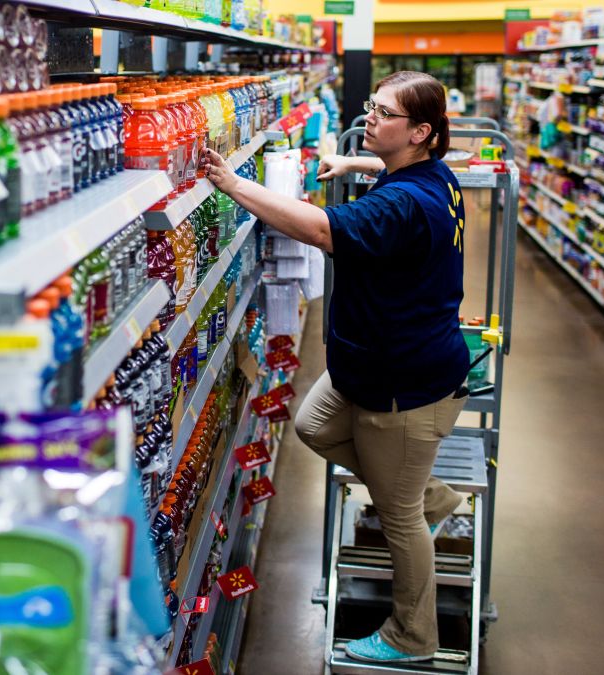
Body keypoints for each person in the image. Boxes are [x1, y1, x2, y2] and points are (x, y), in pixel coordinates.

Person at [204, 71, 470, 664]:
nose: (369, 117)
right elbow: (397, 182)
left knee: (397, 519)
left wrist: (233, 185)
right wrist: (355, 167)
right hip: (371, 368)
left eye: (383, 113)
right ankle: (425, 493)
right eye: (371, 106)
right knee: (313, 426)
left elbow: (322, 229)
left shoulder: (402, 203)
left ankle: (413, 635)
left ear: (420, 131)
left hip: (405, 384)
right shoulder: (429, 176)